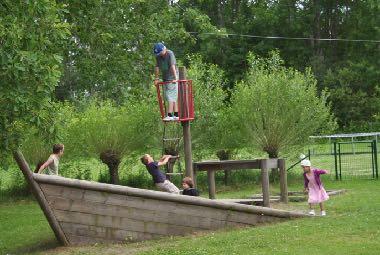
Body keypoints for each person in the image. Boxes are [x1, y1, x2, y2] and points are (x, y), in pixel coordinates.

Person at [153, 42, 179, 121]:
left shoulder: (170, 53)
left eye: (161, 52)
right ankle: (176, 114)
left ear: (164, 49)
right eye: (158, 53)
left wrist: (175, 78)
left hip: (172, 77)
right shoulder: (158, 56)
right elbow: (157, 67)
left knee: (170, 95)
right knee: (171, 96)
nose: (160, 54)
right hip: (165, 78)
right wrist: (156, 79)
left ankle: (170, 115)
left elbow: (172, 66)